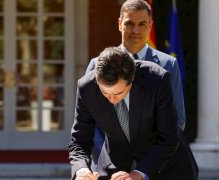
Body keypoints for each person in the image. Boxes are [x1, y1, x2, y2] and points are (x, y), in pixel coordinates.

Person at [86, 2, 197, 178]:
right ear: (119, 23)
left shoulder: (168, 65)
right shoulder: (96, 65)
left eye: (142, 24)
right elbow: (90, 123)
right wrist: (108, 162)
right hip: (110, 169)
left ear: (150, 25)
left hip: (155, 170)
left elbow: (177, 120)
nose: (135, 30)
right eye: (129, 23)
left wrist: (145, 167)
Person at [68, 47, 190, 180]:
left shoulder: (157, 79)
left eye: (119, 93)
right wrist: (82, 170)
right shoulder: (86, 87)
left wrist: (139, 174)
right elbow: (79, 141)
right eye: (105, 93)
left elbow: (168, 138)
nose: (112, 100)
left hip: (164, 168)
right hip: (115, 167)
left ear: (132, 79)